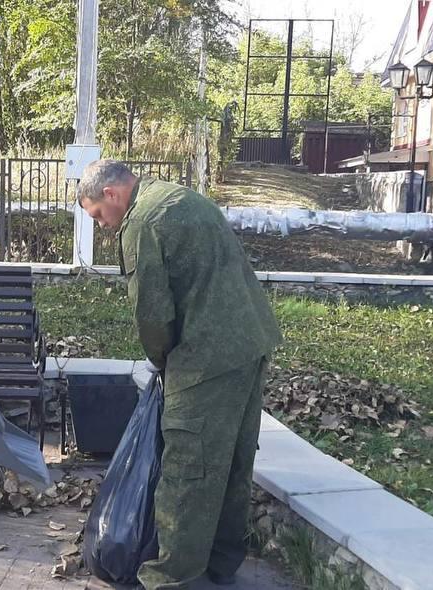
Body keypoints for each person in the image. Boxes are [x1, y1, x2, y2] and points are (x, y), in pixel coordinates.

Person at [77, 160, 282, 589]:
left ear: (112, 194)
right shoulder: (177, 196)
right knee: (232, 459)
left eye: (97, 214)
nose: (101, 226)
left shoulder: (142, 223)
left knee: (189, 467)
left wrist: (161, 359)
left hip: (204, 357)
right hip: (249, 343)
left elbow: (152, 313)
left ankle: (172, 576)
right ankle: (221, 562)